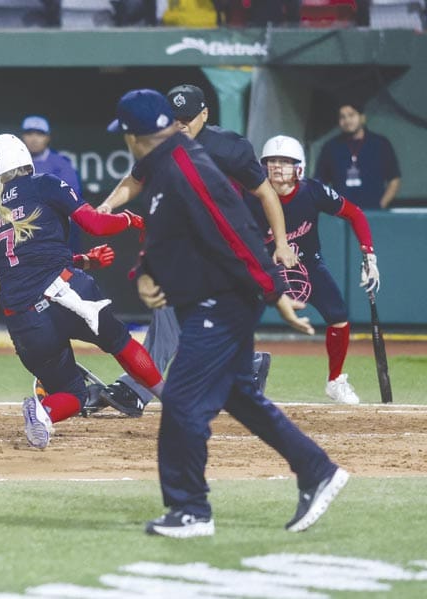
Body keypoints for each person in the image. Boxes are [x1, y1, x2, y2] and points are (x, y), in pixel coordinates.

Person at [107, 88, 348, 538]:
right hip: (214, 297)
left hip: (223, 301)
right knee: (238, 394)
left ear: (132, 137)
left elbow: (235, 230)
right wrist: (145, 271)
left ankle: (191, 510)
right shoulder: (167, 166)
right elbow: (168, 233)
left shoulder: (187, 166)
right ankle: (316, 470)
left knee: (181, 400)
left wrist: (275, 292)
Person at [97, 83, 296, 416]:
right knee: (186, 319)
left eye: (188, 117)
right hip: (184, 246)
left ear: (205, 114)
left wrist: (282, 243)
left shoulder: (230, 148)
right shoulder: (161, 146)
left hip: (222, 247)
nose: (181, 124)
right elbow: (135, 179)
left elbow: (265, 193)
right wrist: (108, 204)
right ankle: (247, 366)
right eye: (175, 118)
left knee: (169, 310)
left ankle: (136, 389)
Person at [0, 133, 163, 449]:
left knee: (74, 394)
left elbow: (23, 262)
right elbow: (96, 224)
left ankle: (44, 412)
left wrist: (83, 260)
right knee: (120, 343)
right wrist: (130, 220)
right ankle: (173, 402)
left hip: (23, 317)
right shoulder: (43, 183)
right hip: (66, 292)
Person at [254, 134, 380, 404]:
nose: (277, 167)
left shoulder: (312, 191)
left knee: (339, 315)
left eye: (285, 162)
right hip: (263, 267)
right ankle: (234, 375)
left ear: (299, 167)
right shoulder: (251, 195)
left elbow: (355, 214)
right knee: (237, 318)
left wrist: (369, 256)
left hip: (307, 262)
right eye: (272, 161)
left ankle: (335, 380)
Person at [315, 101, 401, 210]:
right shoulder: (330, 147)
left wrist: (381, 205)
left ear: (362, 118)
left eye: (351, 115)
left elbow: (394, 179)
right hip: (341, 215)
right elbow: (319, 181)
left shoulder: (380, 144)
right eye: (342, 117)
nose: (347, 120)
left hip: (372, 213)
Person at [21, 115, 85, 252]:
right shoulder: (14, 163)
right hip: (21, 230)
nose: (34, 138)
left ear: (48, 137)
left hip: (56, 231)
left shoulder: (62, 164)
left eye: (39, 133)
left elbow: (73, 200)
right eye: (29, 133)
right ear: (23, 136)